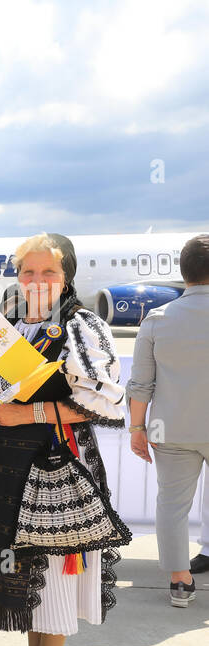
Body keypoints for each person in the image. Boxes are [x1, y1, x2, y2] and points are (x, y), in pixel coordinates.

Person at [0, 233, 128, 646]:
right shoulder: (5, 326)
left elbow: (106, 405)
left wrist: (25, 413)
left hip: (57, 464)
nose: (35, 281)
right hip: (8, 462)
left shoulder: (81, 325)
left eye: (47, 272)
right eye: (27, 272)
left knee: (52, 562)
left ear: (66, 275)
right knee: (26, 563)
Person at [126, 234, 209, 607]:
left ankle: (179, 581)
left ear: (183, 272)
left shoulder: (157, 319)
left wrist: (137, 429)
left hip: (171, 428)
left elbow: (140, 384)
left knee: (172, 504)